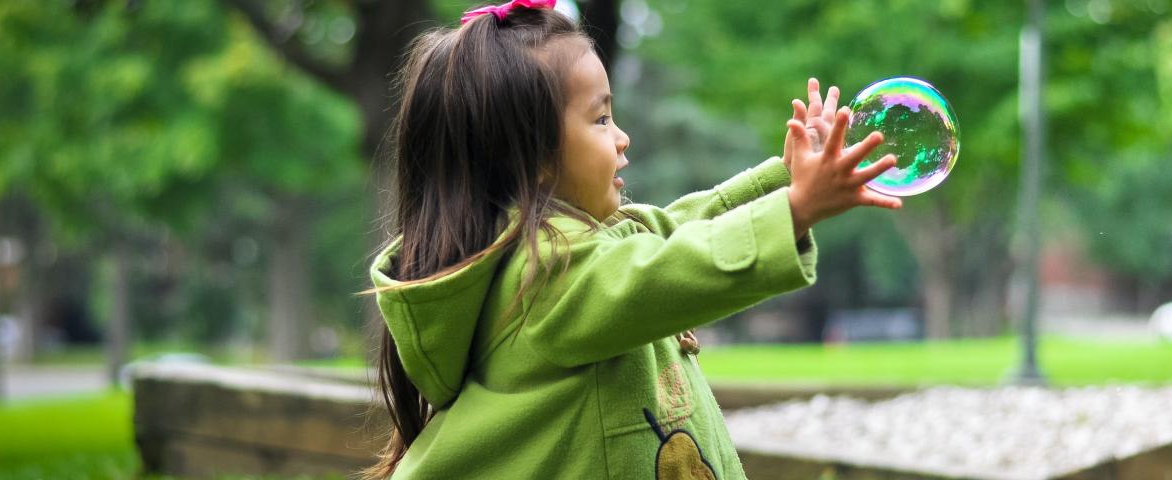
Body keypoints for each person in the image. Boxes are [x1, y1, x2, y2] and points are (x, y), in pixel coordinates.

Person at [363, 1, 900, 478]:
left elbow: (679, 227)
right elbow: (664, 270)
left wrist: (786, 177)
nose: (622, 137)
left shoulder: (577, 248)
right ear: (533, 157)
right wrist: (797, 208)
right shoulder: (544, 277)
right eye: (600, 118)